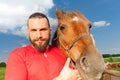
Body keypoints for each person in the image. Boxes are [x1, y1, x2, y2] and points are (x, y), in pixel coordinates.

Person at [5, 12, 81, 80]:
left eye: (43, 30)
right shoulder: (18, 55)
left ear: (50, 31)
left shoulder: (63, 53)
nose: (39, 35)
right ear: (28, 32)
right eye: (34, 30)